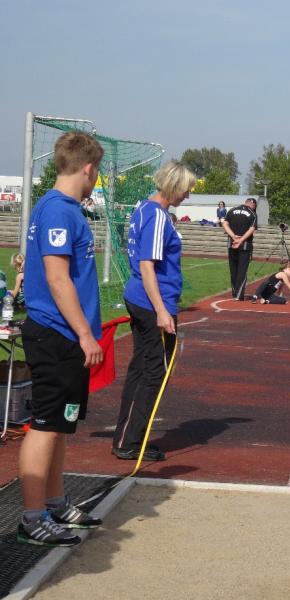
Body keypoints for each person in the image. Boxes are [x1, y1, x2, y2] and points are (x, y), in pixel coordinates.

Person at [17, 131, 105, 547]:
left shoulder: (65, 209)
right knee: (45, 426)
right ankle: (33, 517)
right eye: (97, 171)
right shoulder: (57, 210)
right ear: (88, 169)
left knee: (60, 425)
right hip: (56, 333)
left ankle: (54, 502)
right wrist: (85, 334)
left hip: (66, 335)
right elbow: (57, 278)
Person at [112, 160, 196, 462]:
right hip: (151, 301)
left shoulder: (143, 209)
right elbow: (147, 265)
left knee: (142, 367)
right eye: (185, 190)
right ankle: (130, 441)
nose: (187, 195)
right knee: (154, 371)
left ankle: (127, 437)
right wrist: (161, 310)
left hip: (142, 297)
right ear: (173, 186)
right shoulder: (158, 215)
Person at [222, 197, 258, 300]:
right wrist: (241, 240)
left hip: (232, 243)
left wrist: (233, 237)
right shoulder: (252, 214)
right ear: (253, 205)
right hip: (245, 245)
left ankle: (234, 293)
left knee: (233, 269)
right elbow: (252, 229)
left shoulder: (232, 210)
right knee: (242, 270)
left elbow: (225, 224)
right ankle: (238, 295)